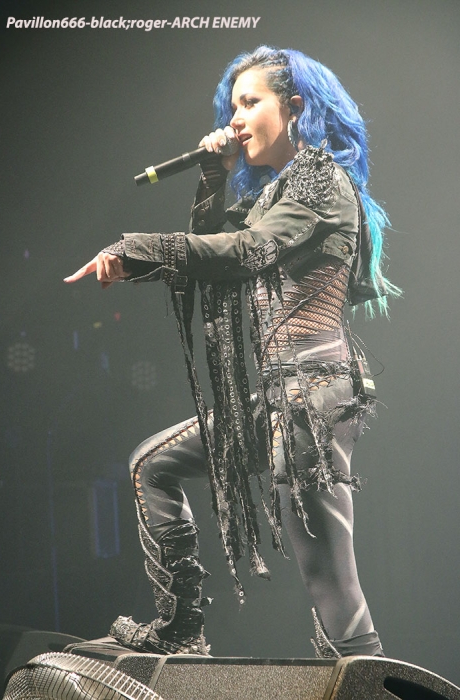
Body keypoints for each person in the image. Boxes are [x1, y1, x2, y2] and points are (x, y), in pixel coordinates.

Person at [65, 46, 399, 659]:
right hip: (279, 394)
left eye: (250, 103)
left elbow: (243, 253)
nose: (235, 119)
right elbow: (215, 253)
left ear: (294, 107)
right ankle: (181, 630)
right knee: (152, 466)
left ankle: (368, 682)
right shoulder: (278, 194)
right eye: (232, 106)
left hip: (313, 394)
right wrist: (214, 177)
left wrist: (137, 248)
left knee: (329, 578)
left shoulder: (320, 178)